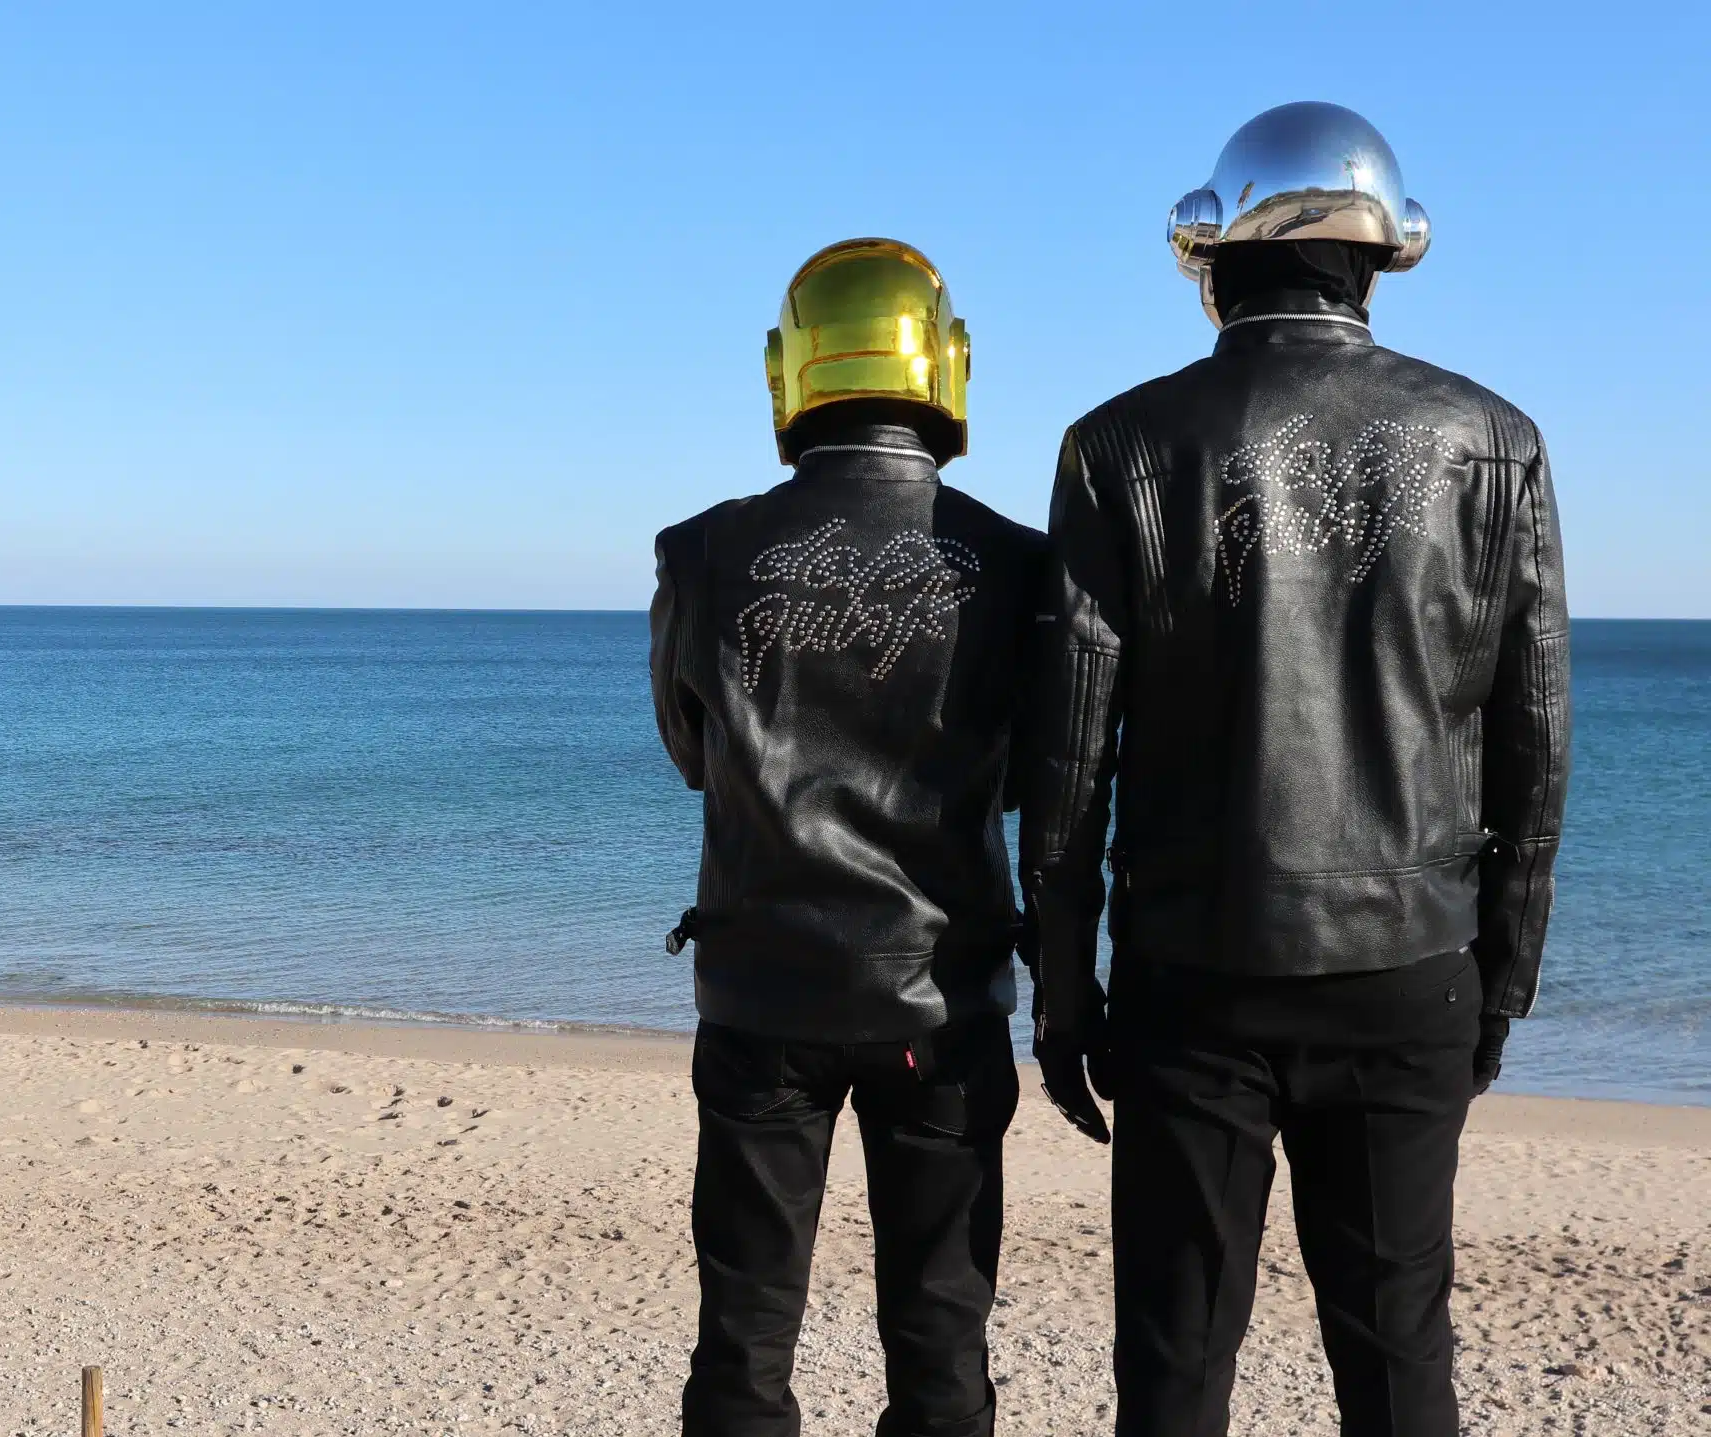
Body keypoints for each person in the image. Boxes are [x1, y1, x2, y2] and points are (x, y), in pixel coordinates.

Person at [1020, 102, 1572, 1437]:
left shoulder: (1120, 446)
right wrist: (1502, 976)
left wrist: (1062, 990)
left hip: (1192, 972)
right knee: (1397, 1359)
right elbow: (1533, 743)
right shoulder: (1495, 440)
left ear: (1216, 257)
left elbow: (1069, 757)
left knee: (1174, 1364)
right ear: (1379, 259)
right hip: (1408, 968)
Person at [651, 238, 1045, 1437]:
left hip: (759, 990)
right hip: (940, 999)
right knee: (940, 1341)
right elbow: (1033, 773)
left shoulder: (701, 551)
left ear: (792, 372)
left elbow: (695, 755)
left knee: (744, 1341)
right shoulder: (1015, 562)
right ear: (944, 368)